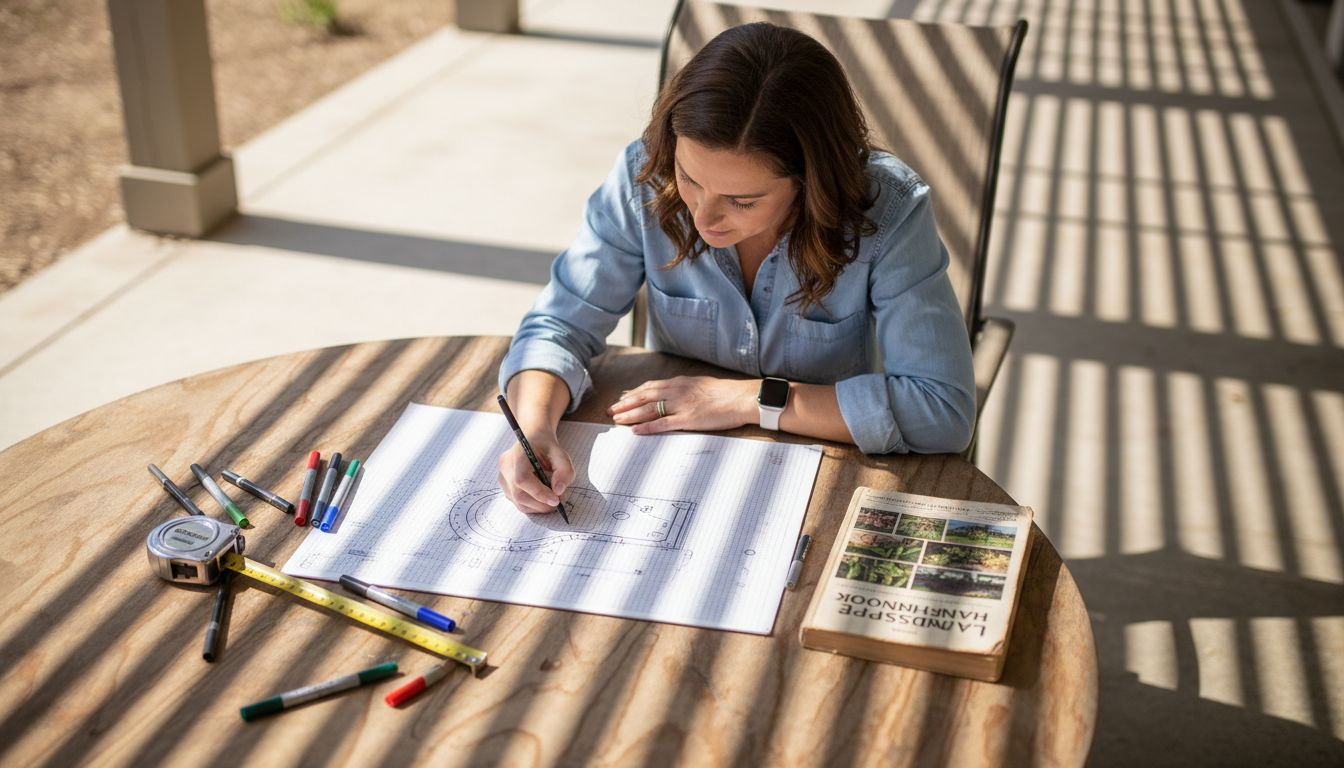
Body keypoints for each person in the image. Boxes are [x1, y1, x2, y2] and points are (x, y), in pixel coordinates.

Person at [497, 22, 975, 515]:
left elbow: (940, 408)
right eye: (690, 178)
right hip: (671, 465)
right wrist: (534, 428)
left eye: (742, 200)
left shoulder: (889, 214)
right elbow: (557, 325)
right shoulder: (645, 174)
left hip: (828, 474)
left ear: (811, 184)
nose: (702, 217)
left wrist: (748, 399)